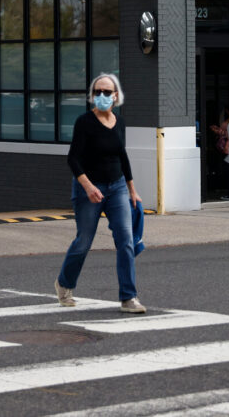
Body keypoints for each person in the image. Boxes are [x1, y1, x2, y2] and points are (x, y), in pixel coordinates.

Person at [55, 73, 146, 313]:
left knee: (125, 240)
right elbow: (73, 159)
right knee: (84, 241)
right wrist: (88, 186)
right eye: (97, 92)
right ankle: (64, 284)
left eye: (107, 92)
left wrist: (132, 191)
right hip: (89, 188)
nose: (102, 96)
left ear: (116, 96)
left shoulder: (120, 122)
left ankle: (129, 297)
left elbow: (122, 156)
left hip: (116, 187)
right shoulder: (84, 122)